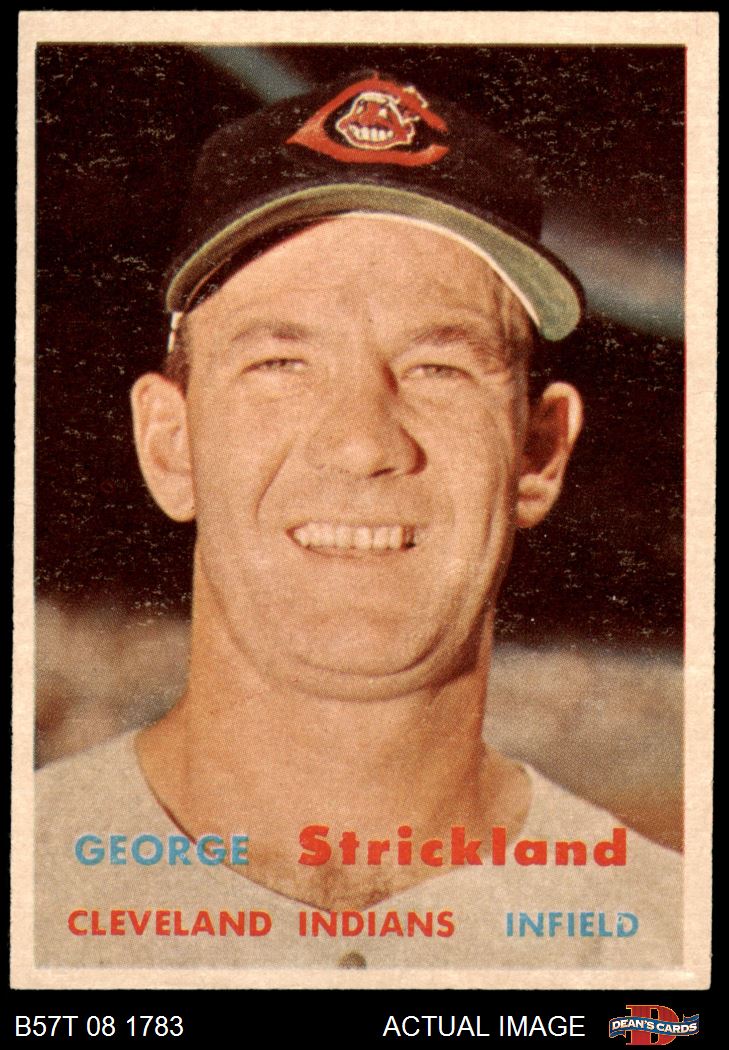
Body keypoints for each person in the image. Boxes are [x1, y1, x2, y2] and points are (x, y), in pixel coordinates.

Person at [35, 72, 681, 972]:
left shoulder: (664, 941)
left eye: (437, 369)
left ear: (538, 455)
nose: (362, 443)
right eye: (280, 364)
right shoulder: (31, 889)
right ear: (170, 445)